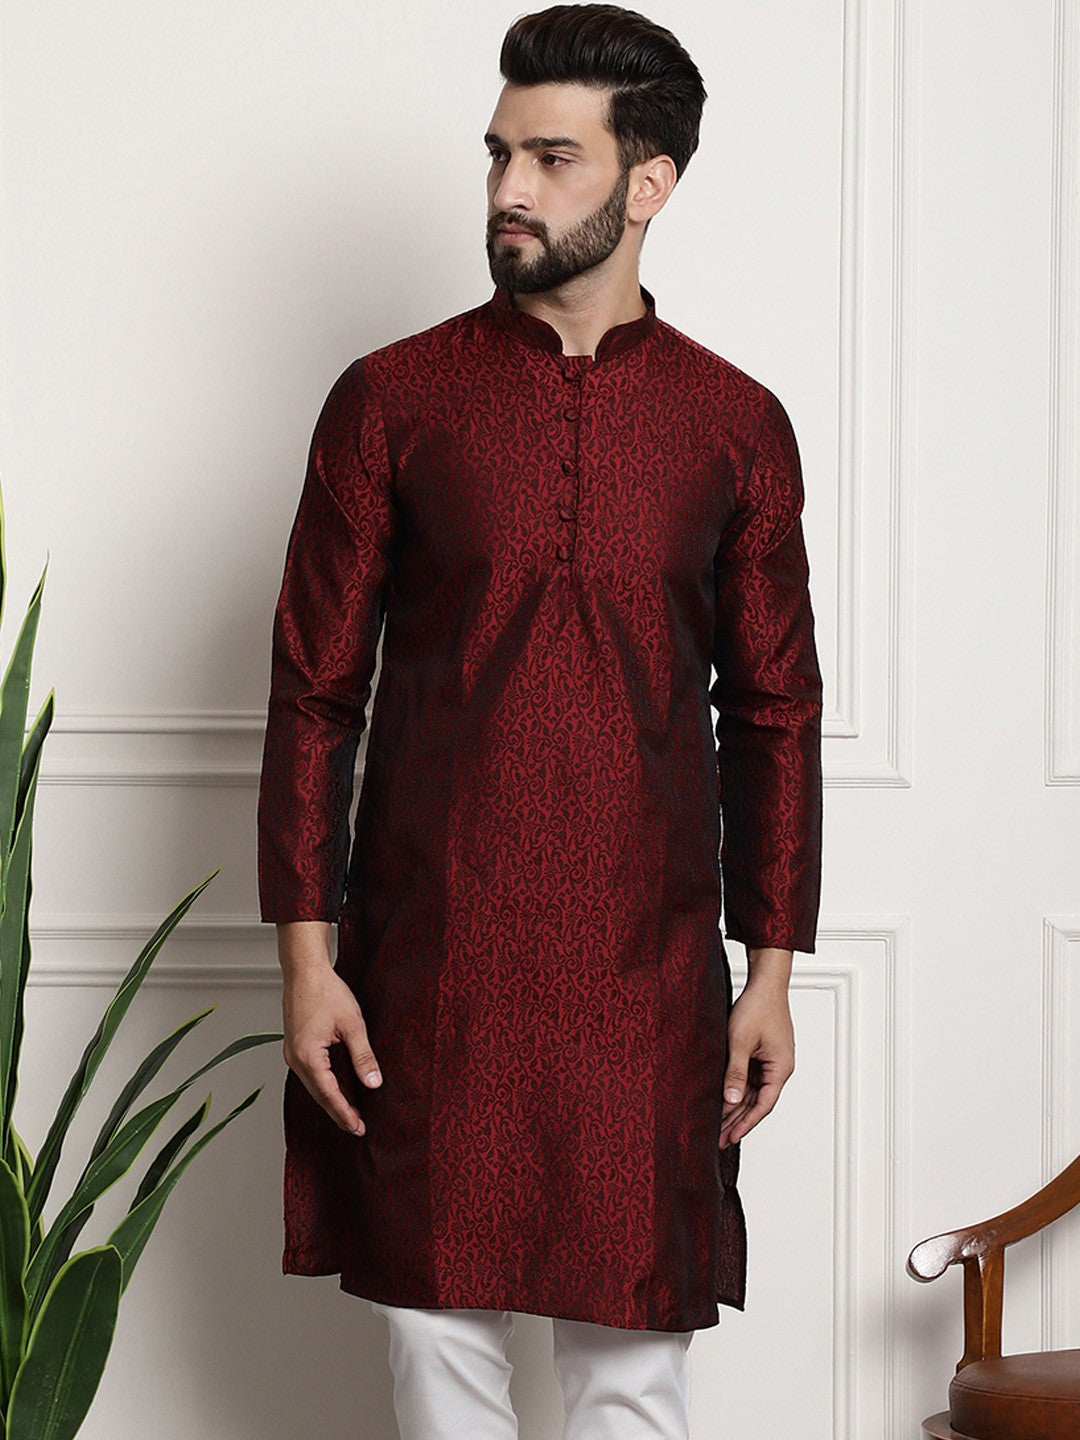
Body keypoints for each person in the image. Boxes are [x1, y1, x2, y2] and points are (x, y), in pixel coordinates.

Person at [256, 4, 823, 1437]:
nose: (509, 189)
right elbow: (315, 691)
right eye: (499, 153)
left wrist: (770, 971)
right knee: (433, 1343)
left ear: (651, 181)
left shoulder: (732, 423)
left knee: (632, 1358)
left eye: (552, 158)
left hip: (647, 969)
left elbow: (774, 710)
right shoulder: (391, 400)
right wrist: (307, 964)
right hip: (430, 957)